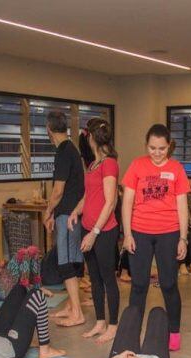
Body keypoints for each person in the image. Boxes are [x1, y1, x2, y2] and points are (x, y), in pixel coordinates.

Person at [122, 124, 191, 351]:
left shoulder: (177, 169)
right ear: (146, 145)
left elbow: (182, 205)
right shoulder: (137, 166)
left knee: (169, 284)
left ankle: (174, 332)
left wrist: (183, 237)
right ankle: (133, 333)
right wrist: (127, 234)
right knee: (139, 285)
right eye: (153, 148)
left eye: (162, 148)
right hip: (140, 232)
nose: (157, 152)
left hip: (169, 232)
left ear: (168, 146)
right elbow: (127, 202)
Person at [68, 118, 120, 343]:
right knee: (95, 279)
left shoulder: (109, 164)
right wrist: (75, 212)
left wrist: (94, 233)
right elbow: (89, 196)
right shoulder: (93, 165)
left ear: (90, 137)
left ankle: (114, 325)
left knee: (108, 279)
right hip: (88, 228)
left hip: (103, 232)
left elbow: (110, 202)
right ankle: (100, 322)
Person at [42, 110, 85, 326]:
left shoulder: (63, 152)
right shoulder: (72, 149)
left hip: (67, 215)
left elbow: (58, 190)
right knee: (74, 259)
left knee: (66, 262)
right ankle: (71, 305)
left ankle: (77, 312)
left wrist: (48, 211)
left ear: (49, 129)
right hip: (72, 214)